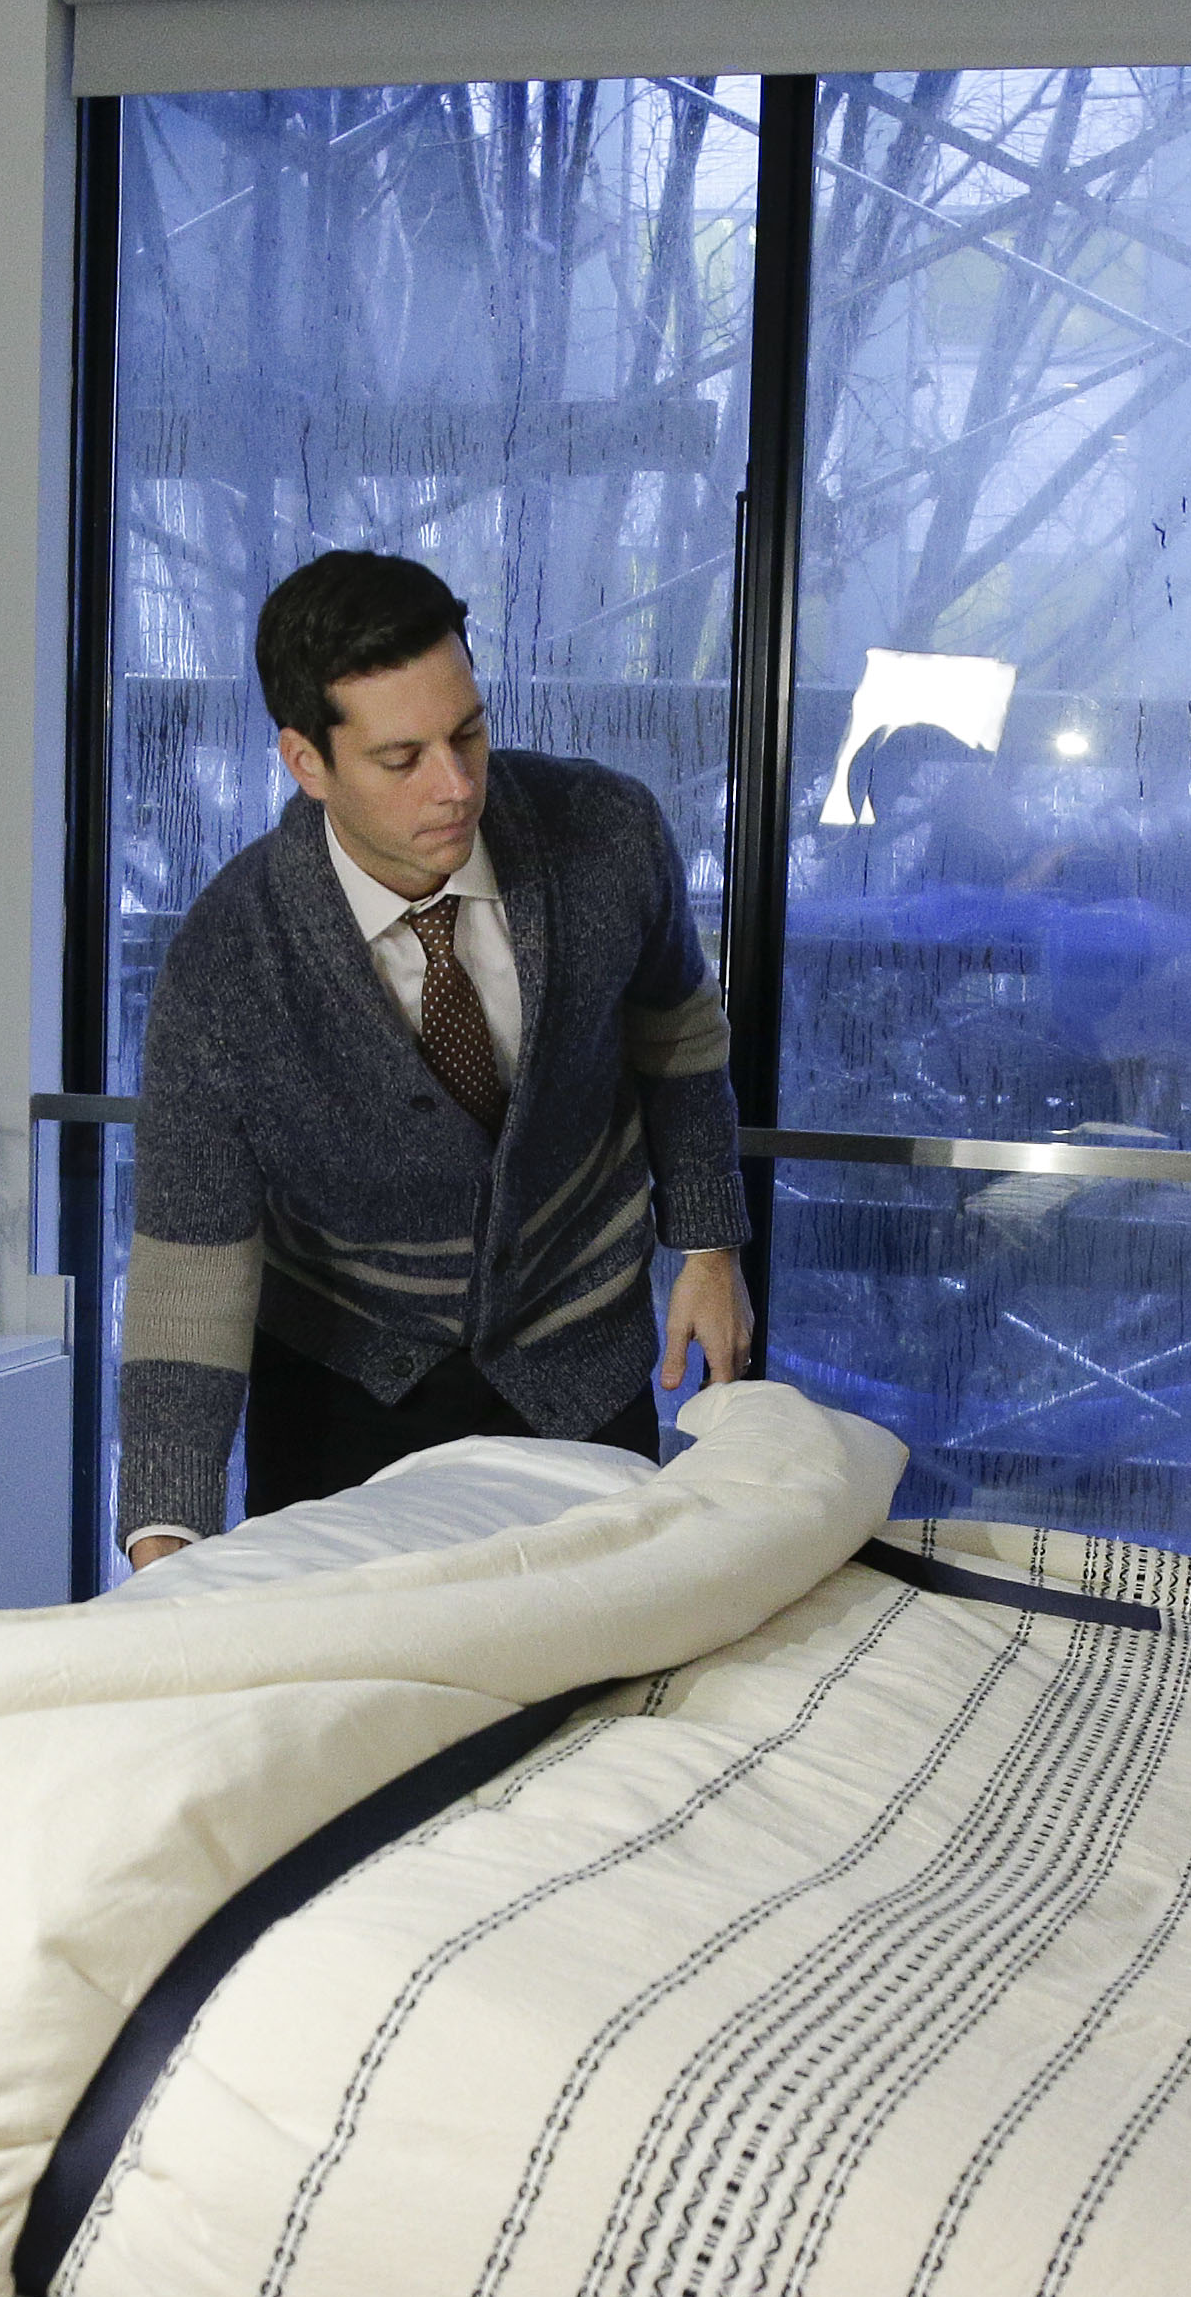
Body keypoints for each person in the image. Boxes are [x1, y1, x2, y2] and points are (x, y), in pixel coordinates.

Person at [116, 550, 753, 1567]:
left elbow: (677, 1036)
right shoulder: (227, 961)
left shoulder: (608, 834)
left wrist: (712, 1247)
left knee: (590, 1679)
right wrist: (165, 1532)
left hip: (578, 1357)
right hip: (343, 1390)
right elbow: (192, 1262)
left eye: (468, 733)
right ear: (305, 760)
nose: (456, 787)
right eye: (401, 759)